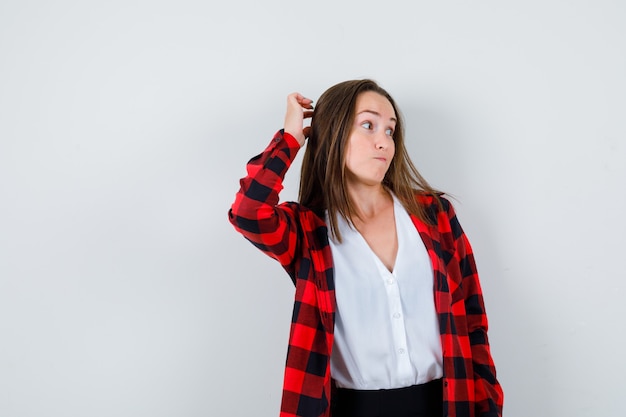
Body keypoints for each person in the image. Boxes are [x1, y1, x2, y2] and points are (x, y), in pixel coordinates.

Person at [228, 79, 503, 417]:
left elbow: (473, 322)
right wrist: (290, 139)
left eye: (390, 131)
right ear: (333, 134)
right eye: (368, 125)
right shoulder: (308, 230)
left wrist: (488, 407)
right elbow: (248, 212)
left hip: (444, 403)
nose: (383, 142)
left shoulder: (434, 215)